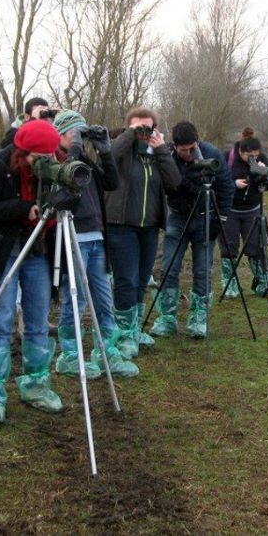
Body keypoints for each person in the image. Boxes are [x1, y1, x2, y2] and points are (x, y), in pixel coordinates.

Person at [0, 119, 65, 424]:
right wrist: (24, 209)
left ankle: (36, 384)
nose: (42, 163)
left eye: (48, 157)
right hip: (4, 253)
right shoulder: (0, 163)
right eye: (37, 158)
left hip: (38, 253)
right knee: (1, 320)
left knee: (37, 320)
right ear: (22, 152)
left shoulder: (56, 165)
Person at [51, 110, 138, 378]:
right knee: (74, 301)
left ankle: (106, 350)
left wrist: (105, 151)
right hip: (71, 236)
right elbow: (63, 189)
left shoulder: (84, 160)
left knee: (103, 297)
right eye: (71, 133)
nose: (76, 137)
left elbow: (111, 182)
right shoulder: (51, 162)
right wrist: (75, 149)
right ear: (60, 135)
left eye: (79, 132)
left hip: (97, 236)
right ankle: (69, 355)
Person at [104, 107, 181, 358]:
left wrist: (160, 149)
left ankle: (134, 329)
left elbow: (174, 182)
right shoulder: (120, 150)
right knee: (125, 280)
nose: (143, 132)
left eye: (148, 127)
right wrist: (130, 135)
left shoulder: (156, 154)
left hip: (149, 226)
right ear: (128, 127)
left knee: (141, 279)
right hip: (121, 224)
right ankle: (124, 335)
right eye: (138, 127)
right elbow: (108, 157)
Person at [151, 121, 234, 339]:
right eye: (183, 150)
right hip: (177, 217)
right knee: (168, 266)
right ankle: (167, 318)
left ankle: (198, 317)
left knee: (202, 270)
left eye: (191, 148)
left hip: (206, 217)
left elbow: (226, 187)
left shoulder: (211, 153)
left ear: (197, 142)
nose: (188, 154)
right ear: (175, 146)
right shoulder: (165, 154)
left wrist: (220, 220)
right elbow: (166, 185)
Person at [220, 129, 268, 299]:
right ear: (241, 151)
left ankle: (262, 283)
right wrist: (233, 184)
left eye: (255, 155)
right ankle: (230, 284)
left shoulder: (262, 159)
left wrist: (263, 176)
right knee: (229, 248)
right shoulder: (227, 158)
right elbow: (217, 181)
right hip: (229, 210)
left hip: (252, 210)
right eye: (249, 156)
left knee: (256, 247)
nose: (252, 158)